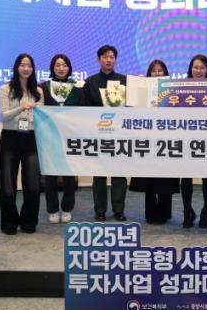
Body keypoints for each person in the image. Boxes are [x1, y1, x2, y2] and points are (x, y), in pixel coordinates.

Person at [0, 53, 44, 235]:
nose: (26, 68)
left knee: (32, 185)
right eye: (23, 65)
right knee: (8, 186)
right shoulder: (5, 89)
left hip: (31, 138)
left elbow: (42, 118)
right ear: (16, 67)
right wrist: (21, 108)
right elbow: (4, 116)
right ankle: (9, 223)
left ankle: (28, 222)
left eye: (29, 66)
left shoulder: (38, 91)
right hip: (10, 138)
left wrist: (38, 110)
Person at [81, 45, 128, 221]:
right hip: (98, 134)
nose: (108, 60)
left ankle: (119, 210)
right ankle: (100, 210)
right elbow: (85, 110)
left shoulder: (125, 81)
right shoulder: (90, 82)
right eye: (105, 57)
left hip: (120, 135)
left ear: (115, 59)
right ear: (98, 59)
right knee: (99, 175)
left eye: (112, 57)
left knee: (119, 174)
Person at [129, 60, 180, 224]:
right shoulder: (142, 89)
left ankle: (165, 212)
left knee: (166, 178)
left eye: (160, 70)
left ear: (165, 73)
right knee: (149, 180)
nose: (157, 73)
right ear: (149, 73)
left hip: (167, 138)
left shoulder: (173, 90)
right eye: (154, 71)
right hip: (148, 138)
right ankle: (150, 213)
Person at [40, 54, 80, 224]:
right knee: (51, 175)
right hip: (49, 136)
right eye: (57, 65)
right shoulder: (43, 87)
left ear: (69, 68)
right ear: (52, 67)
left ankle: (67, 208)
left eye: (64, 65)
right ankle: (52, 209)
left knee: (69, 174)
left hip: (70, 136)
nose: (61, 68)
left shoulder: (78, 86)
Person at [180, 54, 207, 228]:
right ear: (190, 69)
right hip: (186, 138)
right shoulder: (181, 88)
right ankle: (187, 211)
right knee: (186, 177)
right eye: (195, 67)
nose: (199, 70)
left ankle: (206, 212)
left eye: (202, 67)